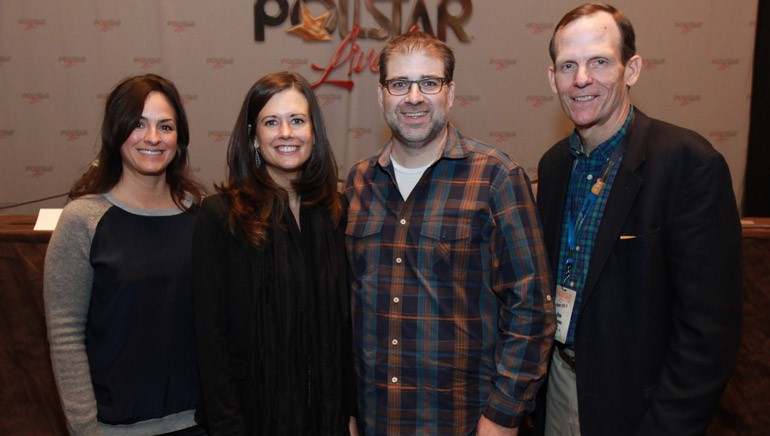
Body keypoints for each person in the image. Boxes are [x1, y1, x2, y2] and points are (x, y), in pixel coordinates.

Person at [534, 4, 742, 435]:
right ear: (552, 79)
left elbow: (708, 334)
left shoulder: (688, 165)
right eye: (568, 65)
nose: (581, 79)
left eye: (599, 62)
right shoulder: (553, 167)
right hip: (557, 388)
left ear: (632, 69)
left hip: (639, 409)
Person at [345, 31, 555, 435]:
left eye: (429, 83)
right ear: (381, 95)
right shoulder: (358, 182)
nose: (414, 97)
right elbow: (348, 310)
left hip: (464, 422)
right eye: (400, 84)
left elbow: (531, 307)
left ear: (451, 92)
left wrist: (503, 416)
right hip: (377, 419)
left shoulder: (496, 177)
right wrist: (349, 407)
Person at [192, 71, 357, 435]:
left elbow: (344, 329)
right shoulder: (221, 216)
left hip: (326, 418)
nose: (286, 133)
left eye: (297, 120)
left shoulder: (335, 211)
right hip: (252, 422)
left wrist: (350, 413)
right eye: (271, 122)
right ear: (253, 136)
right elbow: (211, 341)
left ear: (314, 133)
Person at [44, 74, 207, 435]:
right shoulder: (82, 220)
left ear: (179, 137)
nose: (153, 138)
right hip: (113, 428)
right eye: (138, 124)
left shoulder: (203, 218)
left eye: (165, 126)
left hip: (199, 423)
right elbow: (66, 335)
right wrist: (86, 429)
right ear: (116, 131)